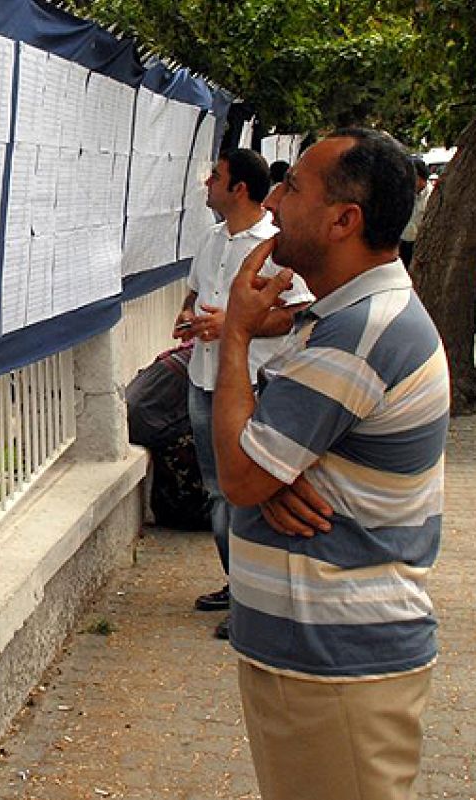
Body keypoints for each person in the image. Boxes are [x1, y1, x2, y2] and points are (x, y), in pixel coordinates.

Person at [212, 128, 449, 800]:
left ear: (344, 220)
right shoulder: (335, 320)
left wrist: (233, 334)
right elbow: (256, 461)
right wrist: (263, 474)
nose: (275, 201)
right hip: (315, 658)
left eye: (292, 188)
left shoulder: (362, 330)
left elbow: (238, 470)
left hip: (337, 662)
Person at [171, 149, 312, 639]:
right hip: (203, 379)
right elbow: (194, 293)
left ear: (239, 190)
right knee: (217, 491)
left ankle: (258, 600)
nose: (207, 183)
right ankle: (237, 585)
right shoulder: (211, 239)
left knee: (251, 494)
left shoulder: (274, 245)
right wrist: (188, 317)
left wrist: (231, 324)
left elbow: (289, 316)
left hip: (251, 385)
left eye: (217, 176)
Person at [398, 156, 431, 266]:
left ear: (421, 177)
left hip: (420, 245)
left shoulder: (431, 197)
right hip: (403, 243)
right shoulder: (405, 193)